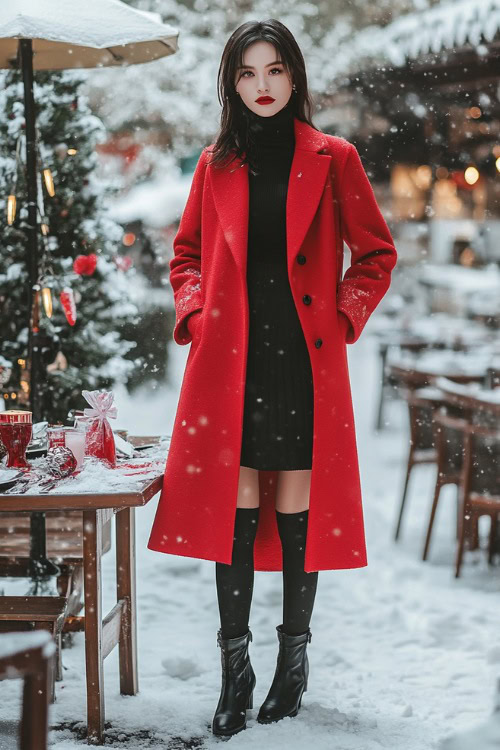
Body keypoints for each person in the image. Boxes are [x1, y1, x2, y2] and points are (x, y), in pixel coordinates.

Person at [147, 17, 397, 738]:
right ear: (231, 82)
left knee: (296, 516)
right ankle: (236, 671)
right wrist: (196, 317)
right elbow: (186, 254)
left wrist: (345, 319)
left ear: (295, 77)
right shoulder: (214, 164)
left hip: (301, 364)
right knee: (236, 513)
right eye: (248, 72)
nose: (262, 86)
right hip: (230, 366)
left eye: (275, 70)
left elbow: (375, 254)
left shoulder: (333, 156)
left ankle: (293, 663)